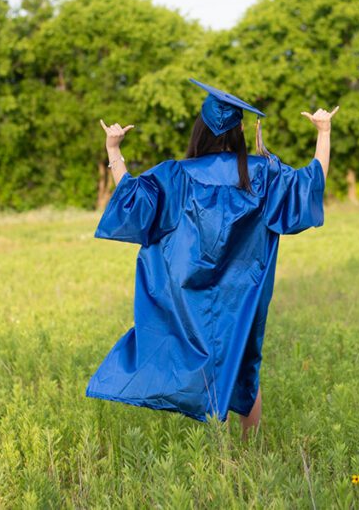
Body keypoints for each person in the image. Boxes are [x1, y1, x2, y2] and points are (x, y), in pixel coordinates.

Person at [85, 78, 338, 441]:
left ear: (199, 133)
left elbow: (133, 199)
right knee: (242, 361)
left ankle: (211, 436)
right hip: (242, 292)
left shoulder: (175, 175)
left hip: (188, 295)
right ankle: (249, 454)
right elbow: (311, 183)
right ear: (238, 134)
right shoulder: (262, 174)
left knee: (183, 348)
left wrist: (114, 150)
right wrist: (323, 133)